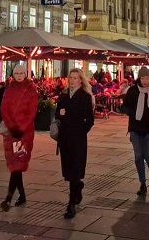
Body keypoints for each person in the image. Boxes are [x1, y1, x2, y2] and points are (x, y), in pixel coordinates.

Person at [56, 68, 94, 219]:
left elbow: (90, 120)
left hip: (77, 138)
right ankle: (78, 186)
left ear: (80, 80)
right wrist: (60, 113)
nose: (72, 80)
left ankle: (71, 204)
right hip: (65, 137)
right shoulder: (64, 95)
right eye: (70, 77)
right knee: (68, 171)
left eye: (75, 78)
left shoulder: (84, 96)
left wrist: (81, 131)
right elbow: (57, 112)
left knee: (75, 169)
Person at [0, 64, 38, 211]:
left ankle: (8, 199)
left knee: (17, 164)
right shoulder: (9, 89)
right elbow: (4, 109)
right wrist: (11, 126)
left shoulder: (31, 90)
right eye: (17, 73)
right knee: (16, 165)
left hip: (23, 134)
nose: (19, 75)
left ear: (26, 74)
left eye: (22, 73)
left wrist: (20, 128)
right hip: (11, 132)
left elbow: (31, 113)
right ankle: (21, 195)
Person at [122, 67, 149, 196]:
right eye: (143, 78)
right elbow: (125, 106)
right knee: (138, 157)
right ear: (139, 78)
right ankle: (142, 183)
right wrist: (131, 112)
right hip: (135, 128)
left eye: (147, 78)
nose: (145, 81)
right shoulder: (132, 91)